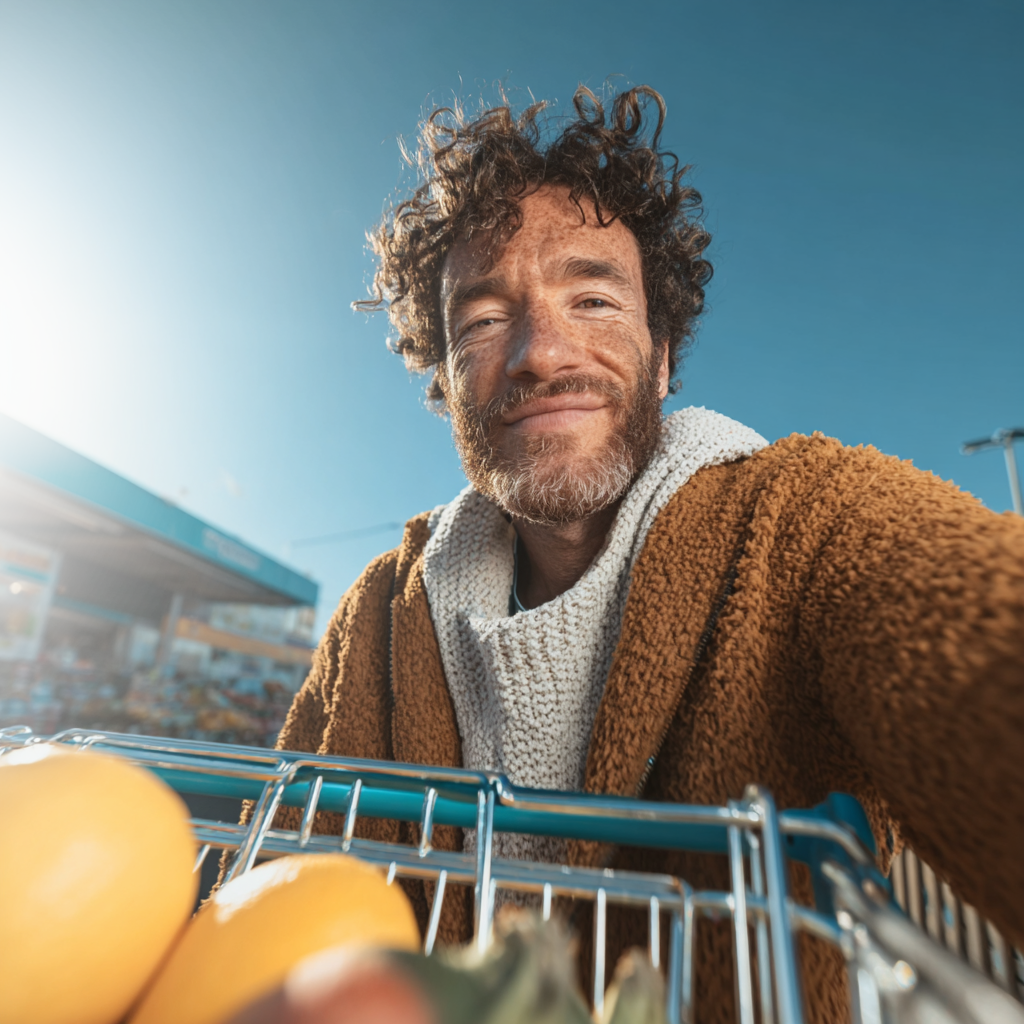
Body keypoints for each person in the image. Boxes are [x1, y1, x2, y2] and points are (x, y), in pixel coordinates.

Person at [269, 86, 1024, 1022]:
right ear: (447, 379)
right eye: (483, 319)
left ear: (664, 356)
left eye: (592, 298)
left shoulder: (805, 523)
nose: (543, 354)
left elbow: (977, 636)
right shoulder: (380, 614)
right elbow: (264, 887)